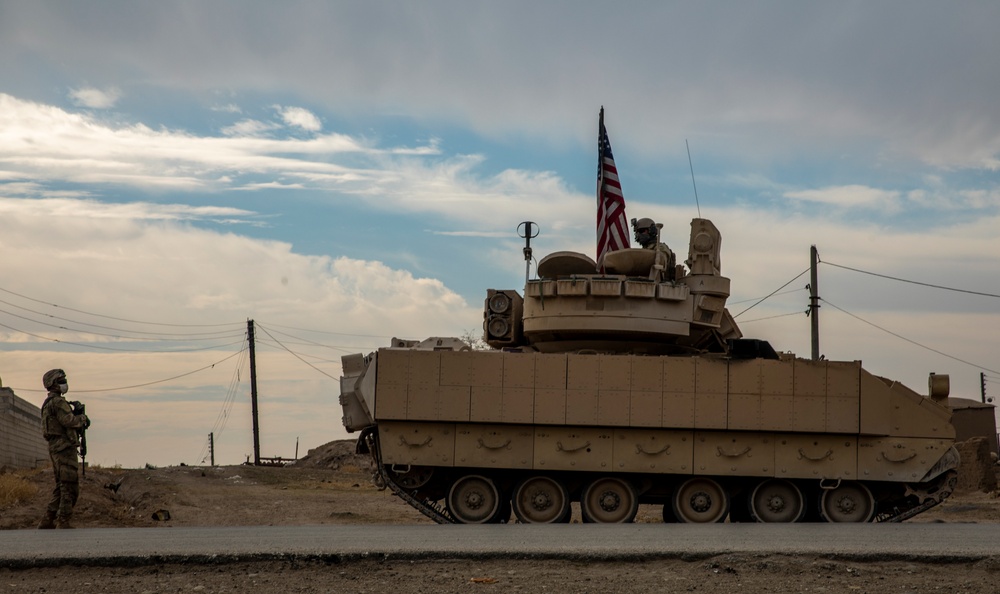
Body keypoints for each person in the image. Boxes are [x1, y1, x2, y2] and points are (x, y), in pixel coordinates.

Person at [38, 369, 90, 529]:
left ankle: (48, 520)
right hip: (64, 448)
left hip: (56, 447)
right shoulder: (58, 403)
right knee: (69, 486)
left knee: (61, 486)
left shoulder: (48, 404)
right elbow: (69, 421)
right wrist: (82, 419)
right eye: (60, 381)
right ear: (52, 384)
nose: (64, 384)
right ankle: (63, 520)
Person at [631, 217, 676, 282]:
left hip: (661, 284)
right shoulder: (644, 249)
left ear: (651, 231)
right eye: (637, 232)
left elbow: (661, 261)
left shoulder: (660, 247)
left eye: (641, 231)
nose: (638, 235)